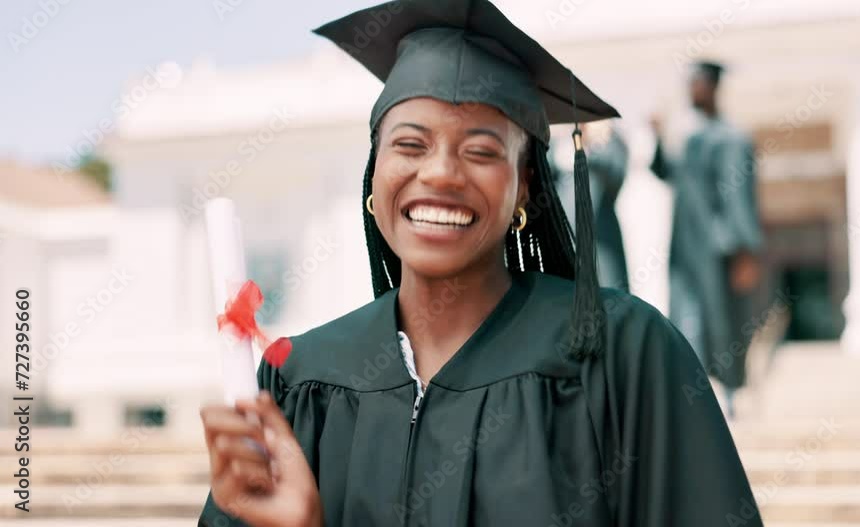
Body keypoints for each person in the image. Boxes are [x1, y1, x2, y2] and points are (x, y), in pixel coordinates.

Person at [198, 3, 762, 526]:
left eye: (481, 150)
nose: (440, 174)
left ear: (524, 190)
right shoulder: (299, 381)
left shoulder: (622, 353)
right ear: (373, 178)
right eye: (410, 145)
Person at [649, 61, 764, 414]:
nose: (691, 90)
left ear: (713, 87)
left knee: (721, 322)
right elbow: (666, 172)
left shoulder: (730, 138)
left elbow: (739, 198)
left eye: (697, 83)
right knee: (686, 319)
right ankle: (695, 398)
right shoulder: (691, 139)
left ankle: (727, 394)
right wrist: (657, 136)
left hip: (719, 249)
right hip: (686, 248)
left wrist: (744, 249)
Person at [549, 121, 631, 292]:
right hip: (566, 245)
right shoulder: (558, 150)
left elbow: (615, 168)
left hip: (600, 243)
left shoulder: (608, 149)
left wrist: (591, 147)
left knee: (609, 297)